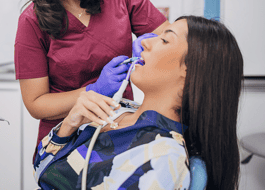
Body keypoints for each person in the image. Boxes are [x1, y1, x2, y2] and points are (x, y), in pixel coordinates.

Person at [15, 0, 169, 154]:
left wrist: (155, 45)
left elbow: (172, 42)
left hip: (119, 129)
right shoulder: (32, 21)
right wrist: (94, 90)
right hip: (65, 141)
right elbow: (36, 104)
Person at [33, 16, 243, 190]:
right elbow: (40, 170)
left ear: (189, 72)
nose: (144, 42)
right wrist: (69, 124)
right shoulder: (115, 109)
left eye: (164, 40)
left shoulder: (164, 159)